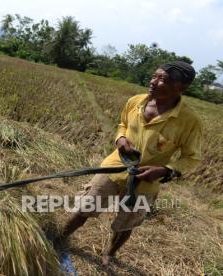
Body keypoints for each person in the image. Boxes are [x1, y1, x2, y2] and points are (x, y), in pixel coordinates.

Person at [61, 61, 203, 266]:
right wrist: (120, 139)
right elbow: (123, 125)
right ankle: (61, 236)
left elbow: (192, 157)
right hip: (113, 170)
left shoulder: (190, 121)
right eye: (154, 76)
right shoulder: (135, 102)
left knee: (126, 224)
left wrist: (165, 170)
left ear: (181, 87)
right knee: (85, 206)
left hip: (144, 184)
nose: (153, 82)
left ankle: (110, 253)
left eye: (163, 79)